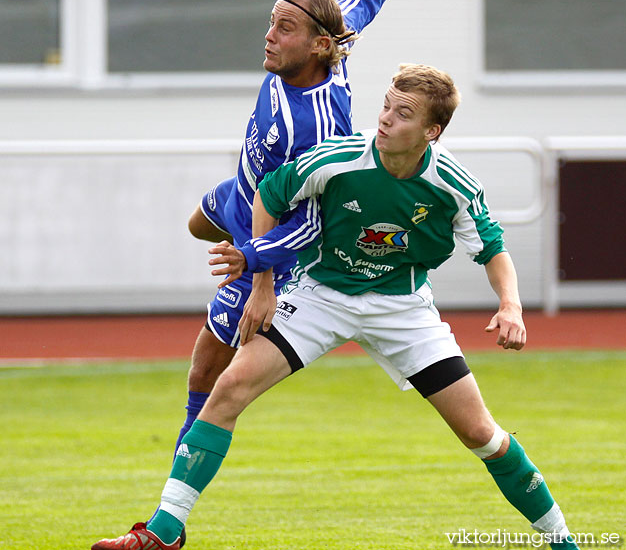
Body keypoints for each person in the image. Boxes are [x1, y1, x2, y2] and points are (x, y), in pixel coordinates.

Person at [92, 64, 580, 550]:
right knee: (229, 390)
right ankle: (164, 531)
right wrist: (262, 281)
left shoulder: (452, 182)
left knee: (480, 432)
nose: (386, 119)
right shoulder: (339, 157)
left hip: (402, 308)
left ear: (431, 131)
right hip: (320, 295)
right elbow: (269, 195)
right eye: (386, 105)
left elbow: (493, 249)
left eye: (402, 113)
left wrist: (510, 306)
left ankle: (562, 541)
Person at [140, 0, 419, 547]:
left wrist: (261, 275)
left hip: (274, 241)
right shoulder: (325, 48)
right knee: (195, 225)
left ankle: (173, 506)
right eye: (272, 21)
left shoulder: (318, 126)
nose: (269, 35)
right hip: (239, 198)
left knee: (207, 368)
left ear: (318, 46)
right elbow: (361, 3)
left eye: (284, 27)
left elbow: (316, 220)